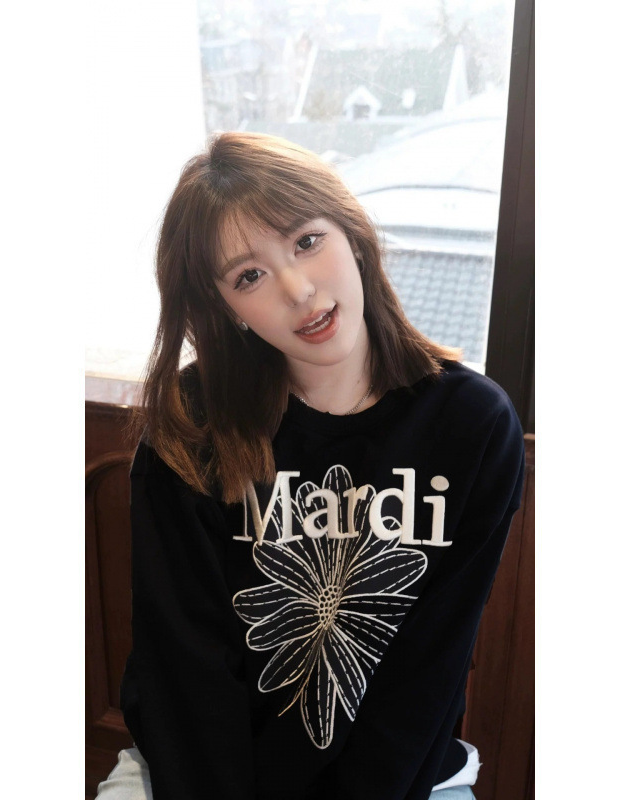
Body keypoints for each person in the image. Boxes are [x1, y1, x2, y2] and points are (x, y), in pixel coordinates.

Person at [97, 131, 525, 800]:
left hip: (400, 776)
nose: (298, 289)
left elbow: (428, 668)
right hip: (199, 772)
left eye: (306, 241)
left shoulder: (471, 425)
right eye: (249, 276)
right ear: (225, 307)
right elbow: (185, 669)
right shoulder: (192, 425)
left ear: (352, 234)